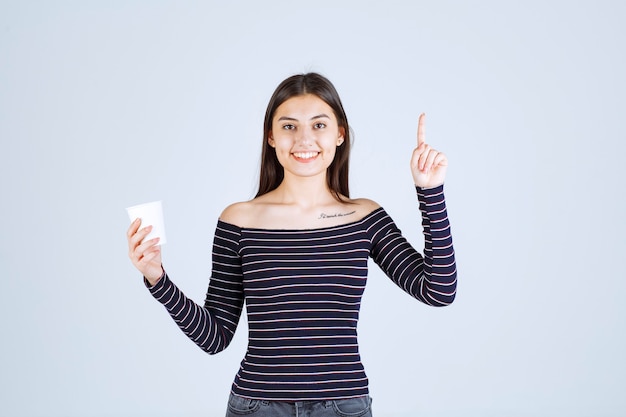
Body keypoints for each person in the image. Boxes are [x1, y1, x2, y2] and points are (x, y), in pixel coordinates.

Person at [127, 72, 457, 417]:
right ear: (271, 136)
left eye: (318, 125)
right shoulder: (239, 221)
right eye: (288, 127)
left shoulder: (364, 217)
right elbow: (215, 336)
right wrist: (157, 279)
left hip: (342, 406)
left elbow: (438, 291)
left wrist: (430, 192)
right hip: (257, 407)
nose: (304, 139)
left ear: (340, 133)